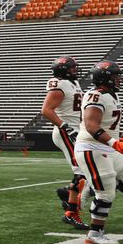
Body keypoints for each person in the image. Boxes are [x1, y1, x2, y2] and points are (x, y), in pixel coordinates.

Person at [74, 61, 123, 244]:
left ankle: (90, 186)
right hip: (92, 148)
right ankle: (95, 233)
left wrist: (117, 140)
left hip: (108, 148)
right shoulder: (95, 96)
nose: (119, 79)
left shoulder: (110, 95)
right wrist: (114, 142)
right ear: (106, 78)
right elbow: (91, 125)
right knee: (106, 193)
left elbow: (108, 125)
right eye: (115, 76)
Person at [42, 56, 89, 230]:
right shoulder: (59, 84)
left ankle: (67, 193)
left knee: (86, 171)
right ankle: (71, 213)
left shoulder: (73, 84)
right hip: (67, 132)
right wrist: (65, 126)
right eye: (72, 68)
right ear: (63, 70)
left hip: (77, 131)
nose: (75, 71)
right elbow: (46, 110)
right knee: (81, 171)